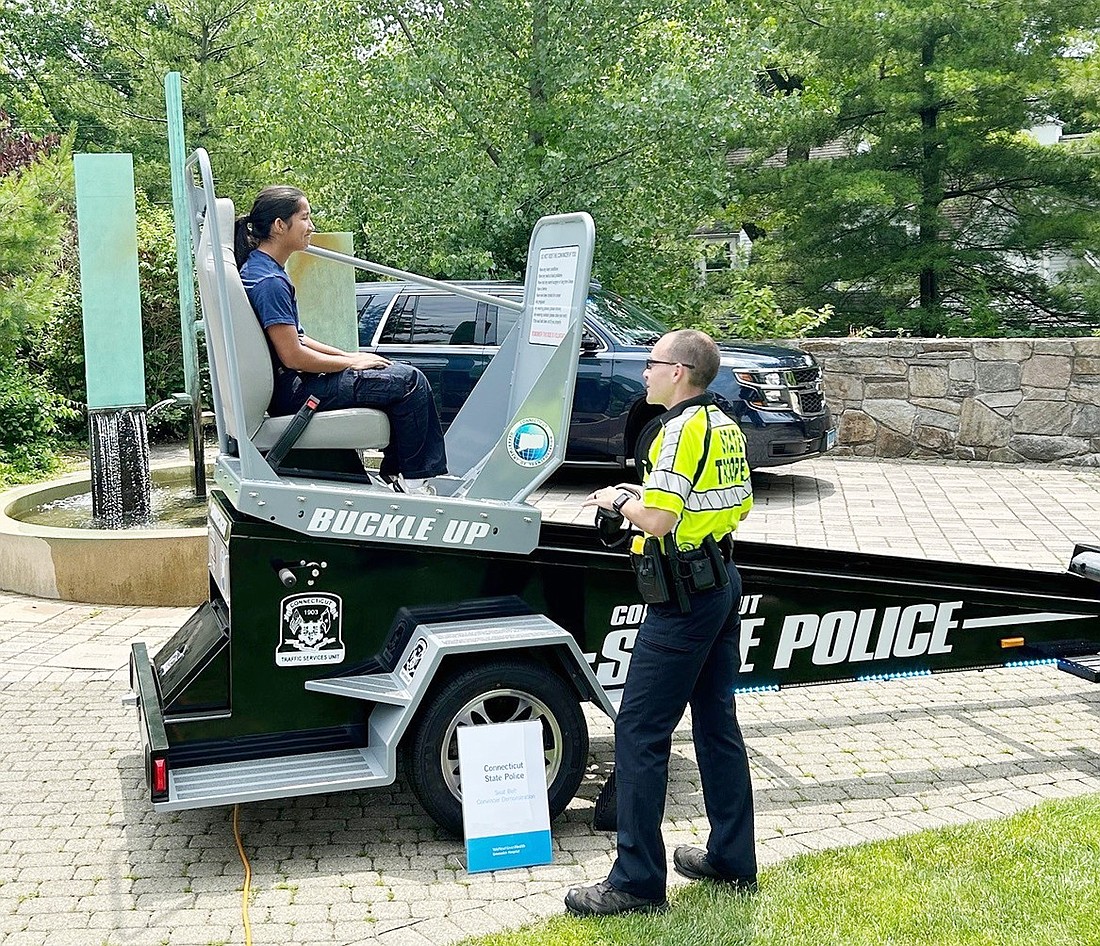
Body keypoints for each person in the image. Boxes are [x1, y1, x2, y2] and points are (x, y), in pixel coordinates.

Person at [566, 329, 757, 916]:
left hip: (682, 601)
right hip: (721, 580)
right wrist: (639, 491)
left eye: (652, 364)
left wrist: (615, 501)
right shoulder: (722, 423)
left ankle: (636, 883)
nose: (644, 373)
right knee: (716, 723)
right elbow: (710, 499)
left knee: (639, 733)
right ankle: (731, 857)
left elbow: (658, 516)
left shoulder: (677, 431)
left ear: (679, 372)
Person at [234, 185, 447, 488]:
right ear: (280, 226)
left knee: (390, 372)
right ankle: (415, 481)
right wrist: (348, 366)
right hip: (296, 394)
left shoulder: (262, 270)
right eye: (305, 218)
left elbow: (300, 340)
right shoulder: (269, 282)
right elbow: (293, 355)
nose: (311, 227)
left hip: (293, 387)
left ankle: (396, 474)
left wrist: (352, 357)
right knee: (409, 381)